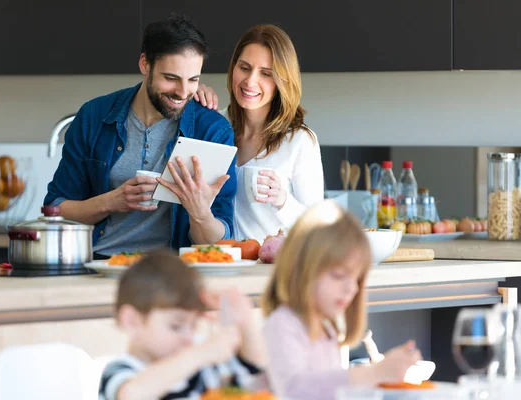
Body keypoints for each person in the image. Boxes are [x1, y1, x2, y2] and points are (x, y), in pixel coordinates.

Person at [44, 15, 237, 256]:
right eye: (171, 78)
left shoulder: (212, 131)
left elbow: (220, 242)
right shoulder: (94, 116)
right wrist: (110, 201)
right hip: (98, 264)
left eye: (193, 80)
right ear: (145, 64)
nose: (183, 92)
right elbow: (55, 207)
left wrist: (200, 212)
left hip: (172, 273)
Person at [261, 201, 421, 400]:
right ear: (300, 270)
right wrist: (375, 373)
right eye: (338, 275)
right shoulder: (283, 325)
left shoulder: (327, 329)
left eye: (356, 279)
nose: (351, 288)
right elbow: (295, 391)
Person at [194, 25, 324, 243]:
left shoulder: (299, 141)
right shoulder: (214, 126)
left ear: (282, 81)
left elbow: (318, 229)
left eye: (266, 74)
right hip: (217, 265)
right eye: (244, 68)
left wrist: (283, 200)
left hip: (269, 270)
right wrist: (191, 102)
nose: (250, 81)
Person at [98, 251, 266, 400]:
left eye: (193, 325)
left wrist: (246, 322)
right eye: (176, 326)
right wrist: (199, 355)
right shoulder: (120, 372)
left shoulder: (200, 365)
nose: (188, 338)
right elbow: (131, 394)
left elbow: (254, 371)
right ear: (132, 321)